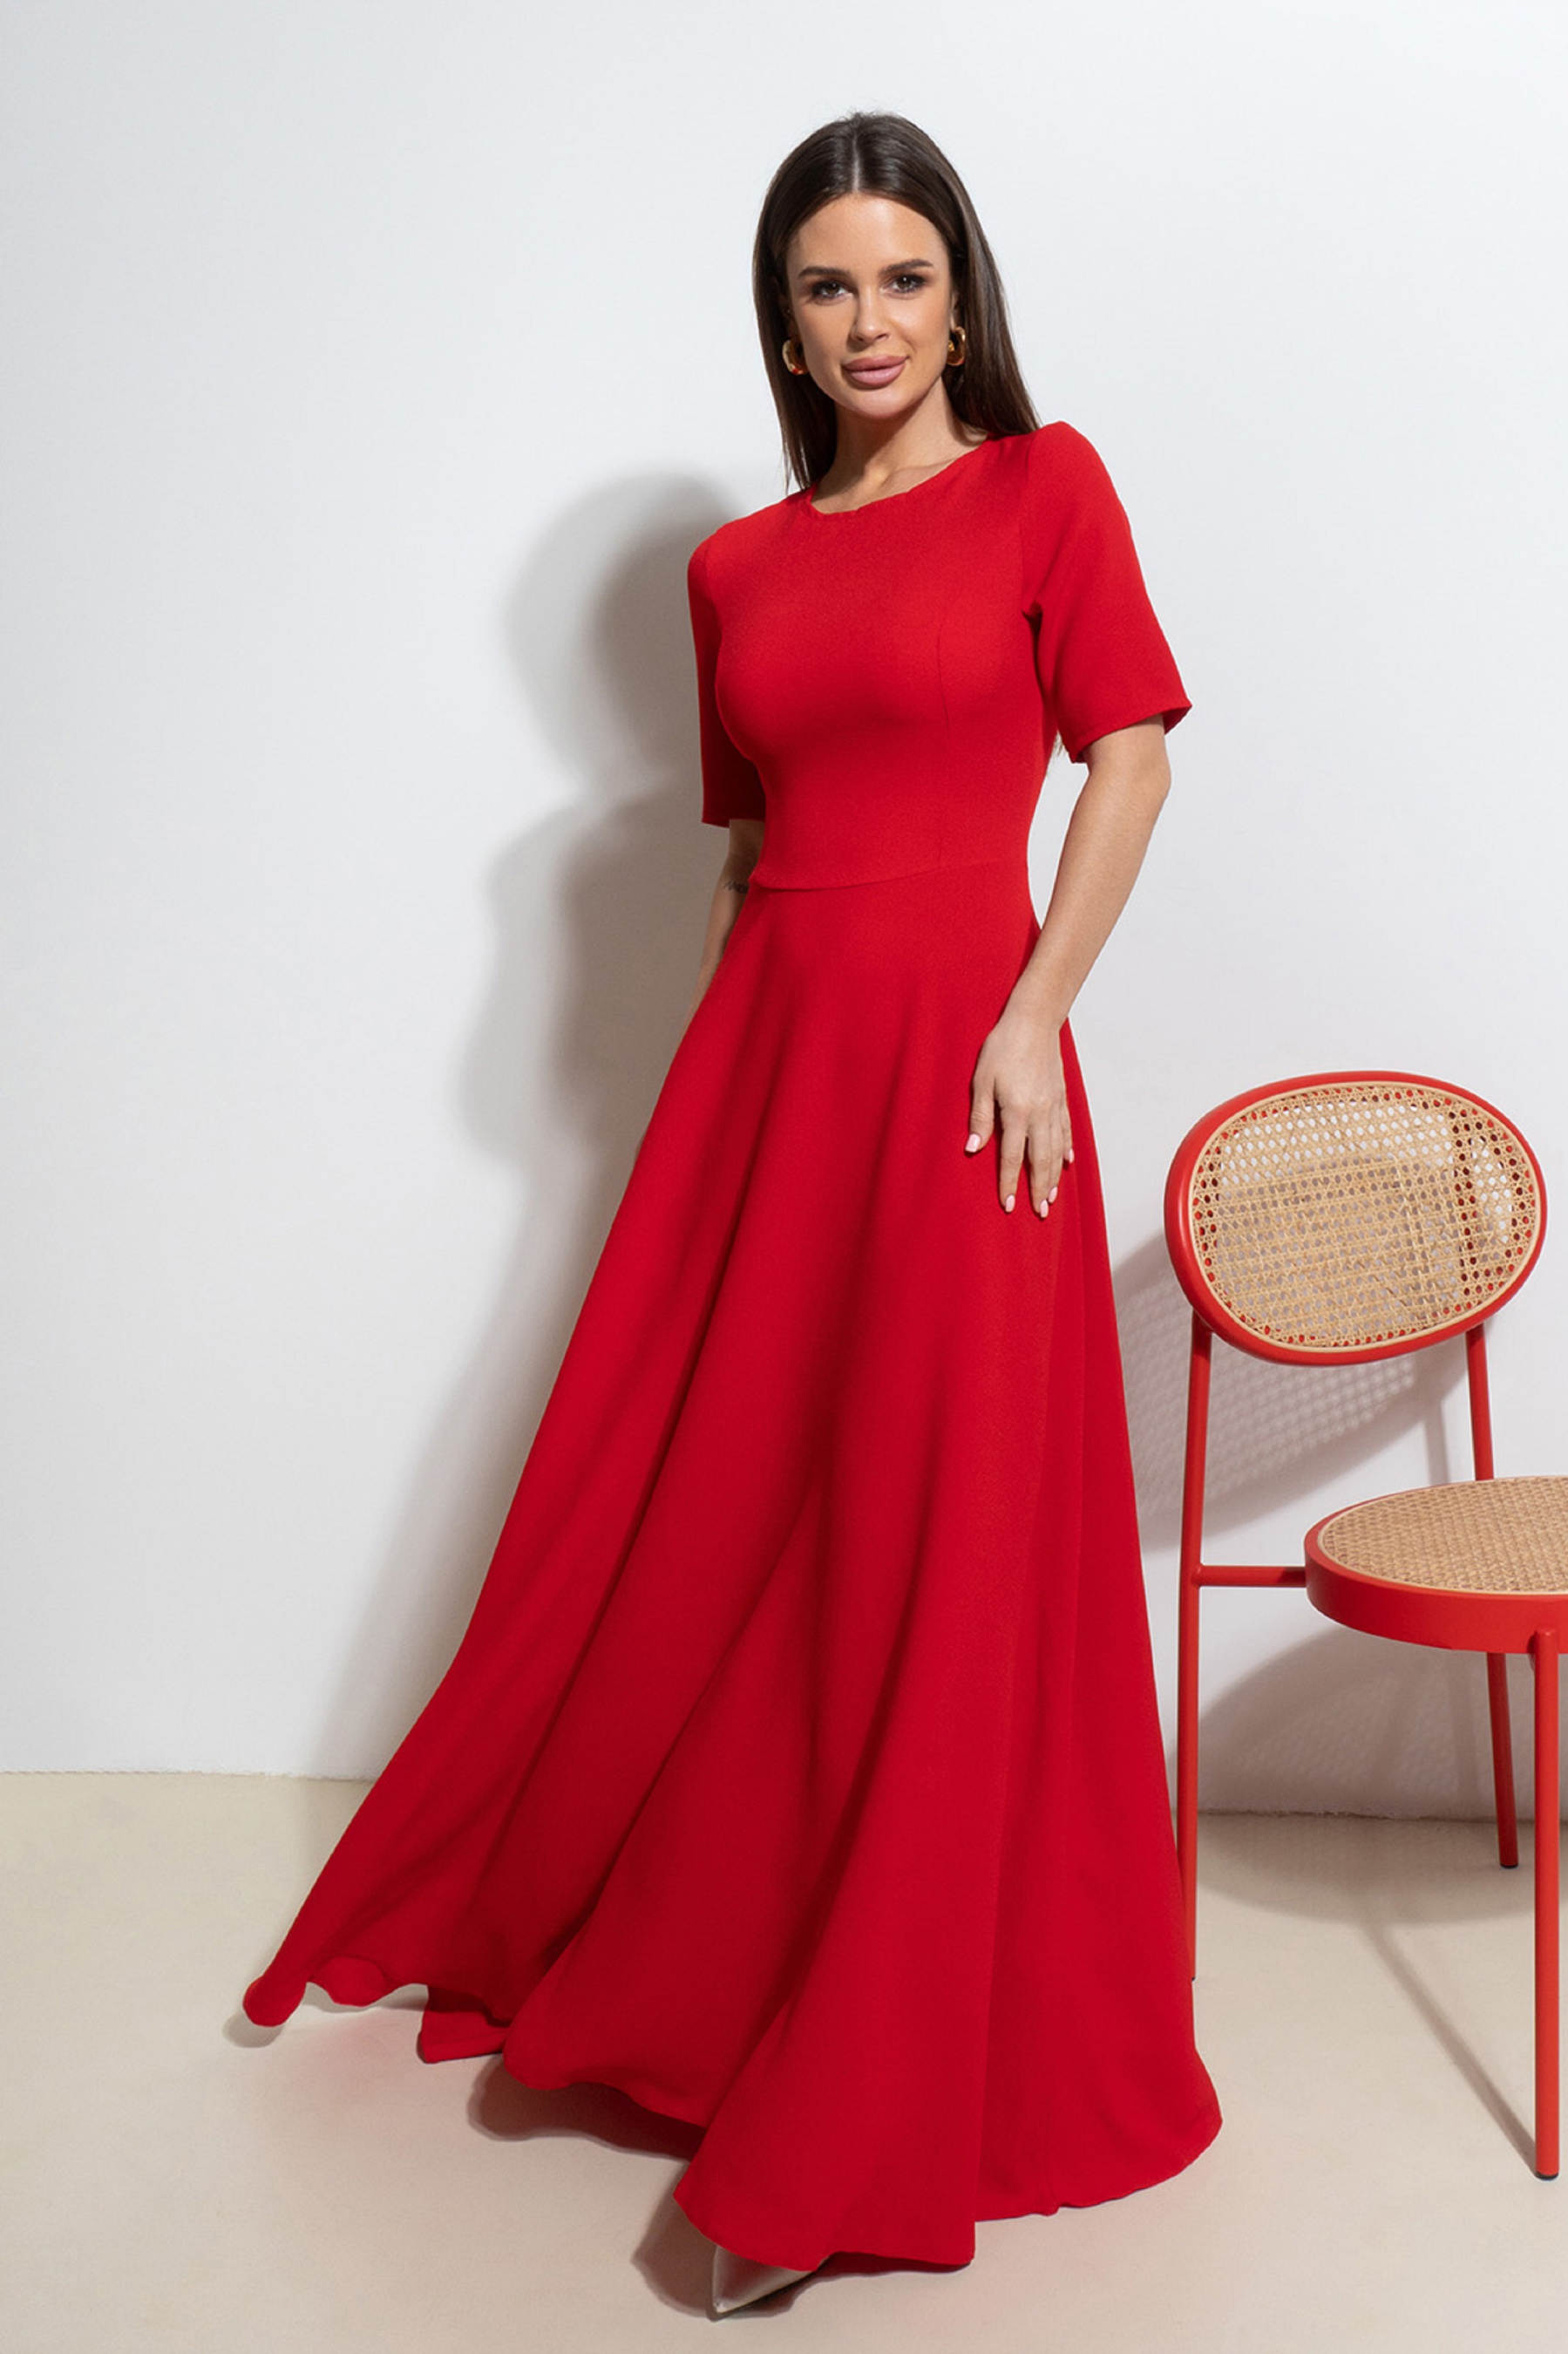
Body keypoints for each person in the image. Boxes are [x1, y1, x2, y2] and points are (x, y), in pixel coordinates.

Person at [241, 108, 1221, 2318]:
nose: (866, 322)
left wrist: (1034, 1016)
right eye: (823, 287)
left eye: (900, 278)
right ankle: (687, 1957)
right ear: (780, 324)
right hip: (766, 1081)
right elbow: (749, 850)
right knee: (714, 1520)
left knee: (929, 1530)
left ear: (958, 298)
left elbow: (1132, 758)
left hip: (968, 1075)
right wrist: (709, 1104)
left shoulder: (1046, 491)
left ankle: (854, 2108)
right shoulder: (739, 572)